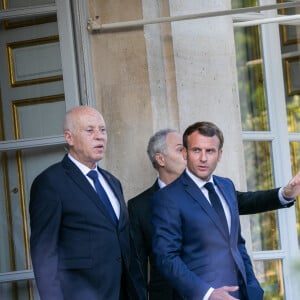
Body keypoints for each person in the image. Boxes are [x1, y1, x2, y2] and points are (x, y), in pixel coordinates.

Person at [128, 128, 299, 299]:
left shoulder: (214, 189)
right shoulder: (139, 206)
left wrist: (285, 193)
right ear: (160, 159)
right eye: (181, 149)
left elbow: (248, 202)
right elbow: (138, 267)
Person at [29, 106, 146, 300]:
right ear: (69, 138)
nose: (99, 136)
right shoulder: (50, 182)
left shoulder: (112, 181)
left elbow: (126, 244)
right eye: (90, 130)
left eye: (103, 130)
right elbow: (44, 254)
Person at [151, 121, 265, 299]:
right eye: (196, 150)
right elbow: (166, 258)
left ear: (219, 154)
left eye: (210, 151)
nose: (203, 158)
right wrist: (207, 294)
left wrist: (252, 286)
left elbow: (236, 243)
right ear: (185, 153)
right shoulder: (167, 198)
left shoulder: (226, 186)